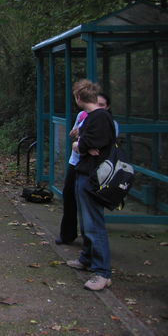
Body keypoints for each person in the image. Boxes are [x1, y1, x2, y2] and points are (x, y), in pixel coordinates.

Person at [67, 79, 116, 291]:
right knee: (86, 221)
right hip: (85, 172)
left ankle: (102, 272)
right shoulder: (94, 118)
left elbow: (85, 144)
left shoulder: (99, 118)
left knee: (94, 223)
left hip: (93, 177)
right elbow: (84, 143)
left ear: (78, 98)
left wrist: (81, 144)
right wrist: (83, 145)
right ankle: (87, 258)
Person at [56, 93, 117, 245]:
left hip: (93, 168)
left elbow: (102, 145)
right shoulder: (83, 116)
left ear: (107, 107)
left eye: (102, 105)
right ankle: (67, 234)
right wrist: (79, 140)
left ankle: (93, 249)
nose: (98, 107)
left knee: (90, 206)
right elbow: (75, 137)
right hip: (76, 162)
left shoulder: (108, 122)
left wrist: (83, 145)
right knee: (69, 196)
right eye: (96, 103)